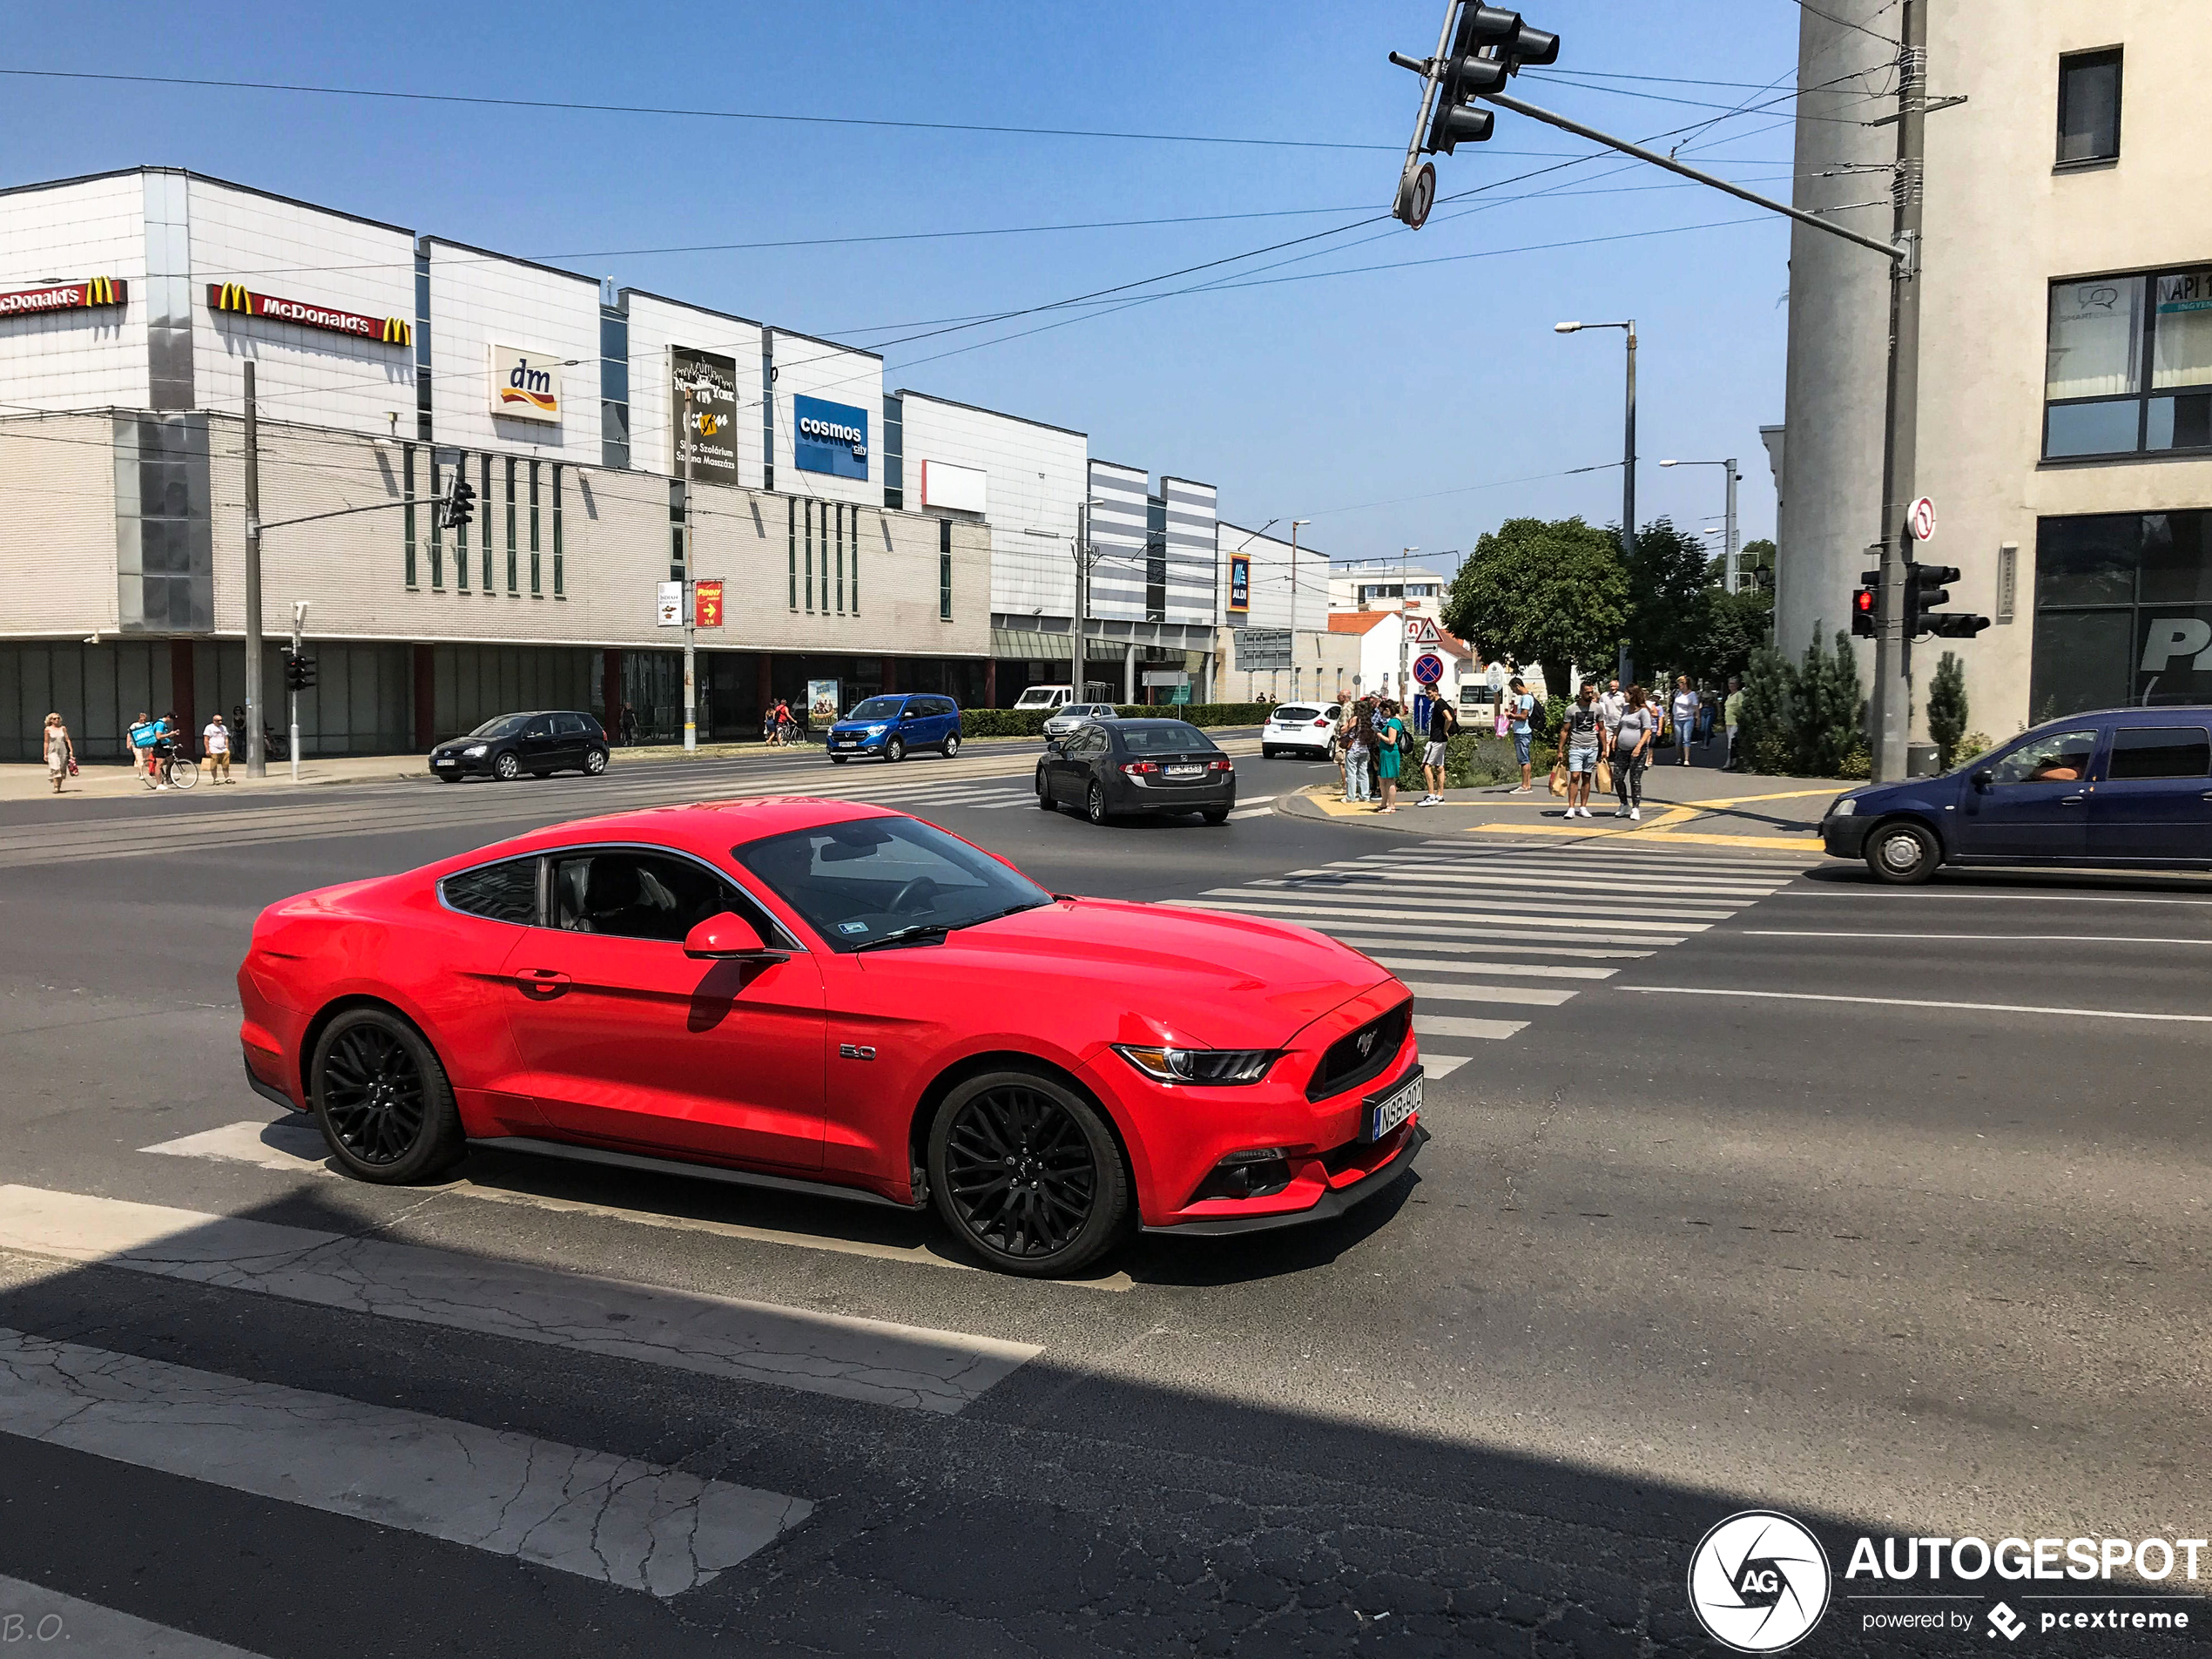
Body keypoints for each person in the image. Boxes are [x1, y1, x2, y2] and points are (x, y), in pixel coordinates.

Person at [1610, 685, 1655, 819]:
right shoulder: (1625, 709)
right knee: (1617, 778)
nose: (1624, 696)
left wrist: (1638, 746)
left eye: (1626, 693)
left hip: (1638, 751)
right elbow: (1620, 725)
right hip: (1622, 749)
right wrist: (1615, 738)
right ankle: (1624, 804)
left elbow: (1648, 730)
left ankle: (1635, 808)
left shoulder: (1643, 712)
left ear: (1633, 695)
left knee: (1634, 779)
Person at [1561, 683, 1602, 819]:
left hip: (1592, 746)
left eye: (1591, 692)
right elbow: (1565, 730)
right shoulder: (1571, 709)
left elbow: (1602, 729)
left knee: (1586, 777)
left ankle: (1583, 807)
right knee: (1574, 777)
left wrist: (1605, 748)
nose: (1590, 695)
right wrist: (1560, 749)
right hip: (1576, 746)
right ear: (1581, 692)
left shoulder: (1597, 708)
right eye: (1587, 692)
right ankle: (1571, 808)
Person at [1419, 696, 1455, 805]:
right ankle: (1440, 795)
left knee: (1426, 766)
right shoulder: (1442, 702)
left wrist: (1445, 730)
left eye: (1429, 693)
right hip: (1442, 740)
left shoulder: (1439, 703)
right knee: (1439, 767)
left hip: (1436, 739)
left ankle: (1431, 795)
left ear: (1435, 691)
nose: (1428, 695)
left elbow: (1449, 718)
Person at [1373, 699, 1407, 814]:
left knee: (1389, 780)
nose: (1382, 714)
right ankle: (1384, 803)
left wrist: (1379, 734)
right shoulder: (1395, 721)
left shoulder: (1393, 722)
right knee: (1382, 778)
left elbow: (1391, 740)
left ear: (1388, 710)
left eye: (1382, 712)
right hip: (1386, 752)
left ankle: (1391, 805)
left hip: (1390, 753)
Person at [1504, 677, 1537, 793]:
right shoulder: (1528, 697)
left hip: (1523, 732)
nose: (1514, 692)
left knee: (1523, 759)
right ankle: (1527, 784)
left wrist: (1511, 716)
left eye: (1514, 689)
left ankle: (1524, 785)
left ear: (1518, 686)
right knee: (1525, 759)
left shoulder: (1526, 698)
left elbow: (1523, 716)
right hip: (1524, 731)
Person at [1342, 706, 1373, 804]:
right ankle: (1365, 795)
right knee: (1363, 773)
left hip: (1353, 749)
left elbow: (1343, 730)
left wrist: (1348, 723)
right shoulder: (1368, 720)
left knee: (1351, 773)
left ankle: (1350, 797)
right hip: (1364, 750)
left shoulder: (1355, 719)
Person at [1670, 676, 1701, 766]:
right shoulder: (1677, 693)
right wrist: (1671, 717)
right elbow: (1674, 705)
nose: (1679, 685)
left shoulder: (1692, 695)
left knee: (1686, 739)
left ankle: (1686, 760)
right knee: (1678, 739)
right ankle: (1680, 758)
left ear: (1685, 684)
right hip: (1677, 719)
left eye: (1680, 683)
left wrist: (1698, 719)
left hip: (1688, 718)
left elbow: (1696, 707)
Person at [42, 712, 74, 795]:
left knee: (62, 769)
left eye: (58, 718)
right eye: (54, 719)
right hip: (52, 750)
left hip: (62, 750)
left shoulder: (63, 728)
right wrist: (45, 754)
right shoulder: (48, 729)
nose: (57, 720)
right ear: (50, 720)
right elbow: (46, 742)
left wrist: (71, 750)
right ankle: (56, 787)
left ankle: (59, 786)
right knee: (55, 767)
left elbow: (67, 739)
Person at [202, 711, 233, 784]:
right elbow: (206, 739)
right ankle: (215, 779)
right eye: (218, 721)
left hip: (223, 749)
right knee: (213, 766)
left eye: (221, 720)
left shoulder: (223, 728)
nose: (220, 722)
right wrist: (207, 749)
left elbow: (226, 738)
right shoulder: (209, 727)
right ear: (214, 721)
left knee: (226, 764)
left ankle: (227, 778)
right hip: (213, 749)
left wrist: (227, 748)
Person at [1723, 675, 1743, 770]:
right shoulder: (1729, 696)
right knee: (1730, 742)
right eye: (1730, 683)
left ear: (1737, 685)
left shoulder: (1739, 694)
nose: (1731, 685)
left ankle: (1728, 762)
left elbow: (1741, 707)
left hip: (1735, 721)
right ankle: (1734, 761)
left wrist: (1739, 718)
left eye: (1733, 684)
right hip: (1728, 721)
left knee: (1732, 742)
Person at [128, 711, 152, 781]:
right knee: (140, 759)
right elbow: (129, 735)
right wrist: (128, 744)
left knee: (146, 760)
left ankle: (149, 772)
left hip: (146, 745)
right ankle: (141, 773)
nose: (143, 721)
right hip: (136, 745)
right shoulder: (134, 726)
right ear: (139, 719)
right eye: (141, 719)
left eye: (144, 720)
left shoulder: (147, 725)